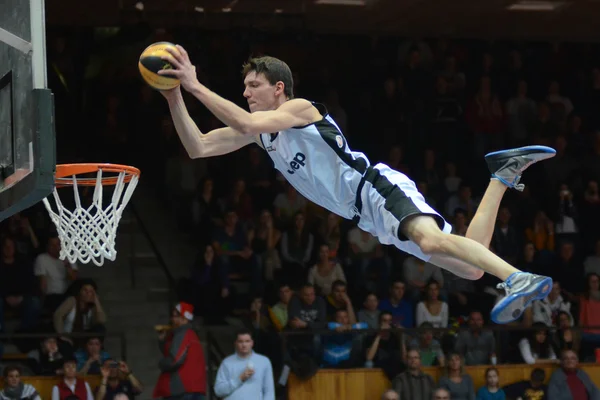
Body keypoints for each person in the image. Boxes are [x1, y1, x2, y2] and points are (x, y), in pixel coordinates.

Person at [159, 46, 555, 323]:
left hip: (376, 189)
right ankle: (501, 175)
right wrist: (174, 95)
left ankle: (518, 277)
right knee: (471, 270)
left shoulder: (299, 109)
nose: (245, 93)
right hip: (368, 219)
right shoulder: (262, 134)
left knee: (434, 243)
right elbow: (198, 147)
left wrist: (195, 84)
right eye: (244, 88)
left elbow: (245, 123)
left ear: (278, 87)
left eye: (253, 86)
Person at [153, 302, 206, 400]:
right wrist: (162, 340)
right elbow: (174, 352)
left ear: (184, 318)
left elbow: (174, 360)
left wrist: (161, 364)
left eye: (175, 316)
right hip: (192, 389)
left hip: (182, 390)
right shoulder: (191, 334)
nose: (172, 319)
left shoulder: (183, 333)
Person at [214, 328, 275, 400]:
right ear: (235, 343)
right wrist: (239, 379)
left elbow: (269, 392)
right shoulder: (227, 362)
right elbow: (218, 391)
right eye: (240, 341)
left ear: (252, 343)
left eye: (247, 341)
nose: (244, 345)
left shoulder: (264, 362)